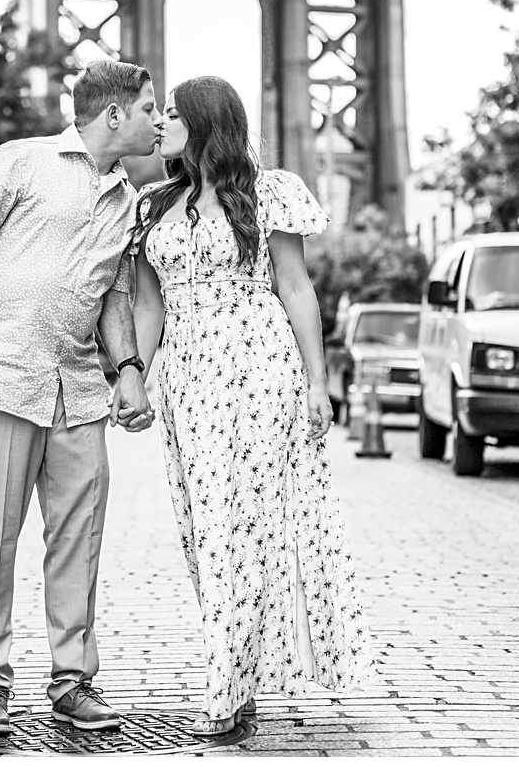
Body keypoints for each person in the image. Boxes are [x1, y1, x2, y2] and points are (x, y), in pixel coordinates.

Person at [0, 58, 162, 737]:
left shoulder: (129, 202)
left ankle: (73, 678)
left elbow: (114, 295)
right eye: (149, 108)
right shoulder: (19, 162)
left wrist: (129, 369)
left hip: (78, 390)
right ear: (113, 114)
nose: (159, 120)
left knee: (79, 538)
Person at [129, 76, 368, 735]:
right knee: (205, 530)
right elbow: (151, 305)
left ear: (206, 124)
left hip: (258, 369)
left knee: (245, 525)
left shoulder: (268, 194)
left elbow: (295, 287)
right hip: (186, 382)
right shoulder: (155, 206)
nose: (161, 125)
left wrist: (319, 383)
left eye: (173, 114)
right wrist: (134, 379)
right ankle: (239, 674)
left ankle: (225, 694)